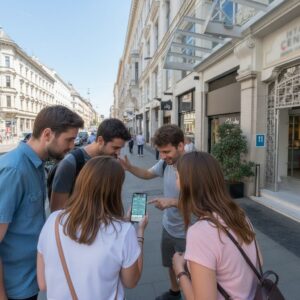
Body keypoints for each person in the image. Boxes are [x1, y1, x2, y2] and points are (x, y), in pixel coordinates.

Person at [0, 105, 84, 300]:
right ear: (47, 134)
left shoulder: (37, 164)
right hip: (13, 289)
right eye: (69, 139)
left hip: (29, 280)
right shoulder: (14, 170)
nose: (73, 146)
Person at [37, 156, 147, 299]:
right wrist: (140, 232)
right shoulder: (124, 231)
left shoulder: (53, 220)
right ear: (114, 191)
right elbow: (131, 281)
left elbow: (43, 284)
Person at [172, 152, 258, 300]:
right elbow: (258, 261)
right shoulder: (239, 214)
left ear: (188, 184)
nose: (176, 182)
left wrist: (179, 270)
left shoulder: (200, 233)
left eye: (177, 176)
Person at [120, 124, 186, 300]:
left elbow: (202, 203)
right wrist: (130, 167)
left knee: (192, 272)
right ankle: (174, 292)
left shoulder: (195, 167)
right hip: (168, 226)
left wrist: (172, 202)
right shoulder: (165, 164)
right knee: (171, 264)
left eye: (166, 152)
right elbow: (148, 174)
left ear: (180, 145)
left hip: (189, 231)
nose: (163, 157)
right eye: (161, 152)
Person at [50, 118, 131, 211]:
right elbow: (57, 210)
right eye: (115, 148)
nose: (118, 153)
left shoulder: (109, 161)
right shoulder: (70, 163)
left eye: (120, 148)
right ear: (100, 140)